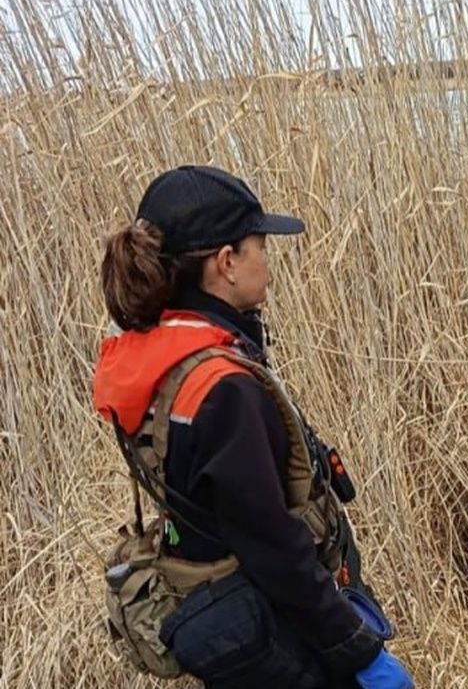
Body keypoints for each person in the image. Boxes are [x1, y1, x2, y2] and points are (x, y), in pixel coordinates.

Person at [91, 165, 413, 689]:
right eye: (260, 243)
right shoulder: (224, 390)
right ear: (227, 263)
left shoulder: (159, 362)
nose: (268, 258)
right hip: (277, 627)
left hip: (226, 620)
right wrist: (357, 651)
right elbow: (273, 547)